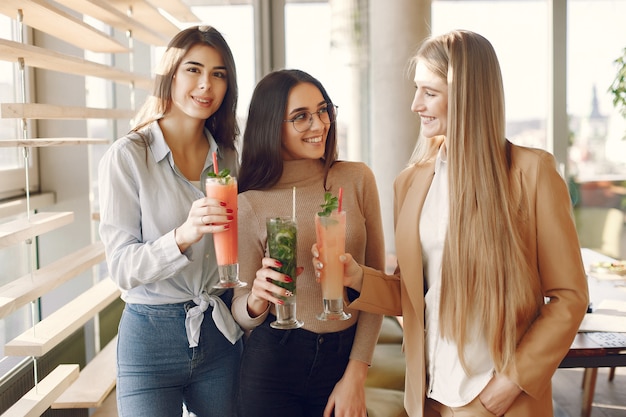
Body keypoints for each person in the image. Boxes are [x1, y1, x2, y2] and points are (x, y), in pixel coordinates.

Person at [313, 30, 589, 417]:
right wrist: (357, 277)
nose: (415, 104)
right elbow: (417, 295)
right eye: (416, 89)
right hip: (431, 398)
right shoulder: (410, 183)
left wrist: (506, 386)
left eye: (429, 92)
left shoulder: (533, 173)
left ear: (465, 94)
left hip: (501, 401)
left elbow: (569, 297)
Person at [98, 25, 243, 417]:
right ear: (171, 75)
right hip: (150, 336)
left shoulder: (228, 157)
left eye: (218, 74)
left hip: (218, 331)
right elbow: (122, 268)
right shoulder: (128, 156)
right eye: (193, 70)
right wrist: (181, 236)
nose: (205, 85)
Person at [232, 69, 386, 417]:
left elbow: (377, 286)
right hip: (274, 365)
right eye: (301, 117)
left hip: (342, 357)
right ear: (272, 125)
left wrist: (356, 374)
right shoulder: (250, 203)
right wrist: (256, 298)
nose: (318, 125)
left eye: (323, 111)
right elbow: (240, 312)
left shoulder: (356, 179)